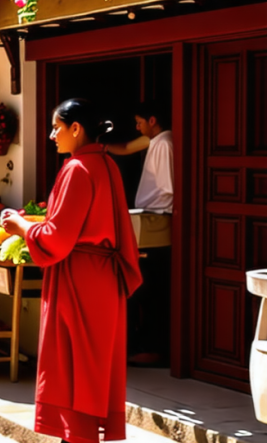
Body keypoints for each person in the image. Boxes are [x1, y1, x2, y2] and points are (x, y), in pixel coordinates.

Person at [2, 99, 142, 443]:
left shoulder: (77, 168)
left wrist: (22, 227)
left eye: (56, 128)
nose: (52, 135)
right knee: (93, 365)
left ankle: (76, 437)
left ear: (76, 129)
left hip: (78, 276)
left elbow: (58, 239)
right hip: (103, 277)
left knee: (70, 364)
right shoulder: (107, 164)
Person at [105, 103, 173, 366]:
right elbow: (125, 148)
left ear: (152, 120)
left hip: (157, 220)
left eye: (139, 122)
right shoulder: (154, 138)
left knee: (148, 286)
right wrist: (99, 146)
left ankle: (151, 348)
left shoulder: (165, 143)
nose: (136, 127)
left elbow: (169, 188)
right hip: (148, 218)